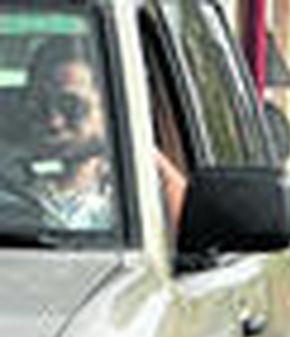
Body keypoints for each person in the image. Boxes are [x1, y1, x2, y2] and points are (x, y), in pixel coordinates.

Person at [21, 37, 185, 231]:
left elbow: (191, 226)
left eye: (71, 106)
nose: (54, 121)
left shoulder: (139, 191)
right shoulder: (12, 185)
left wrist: (137, 144)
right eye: (40, 104)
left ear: (108, 107)